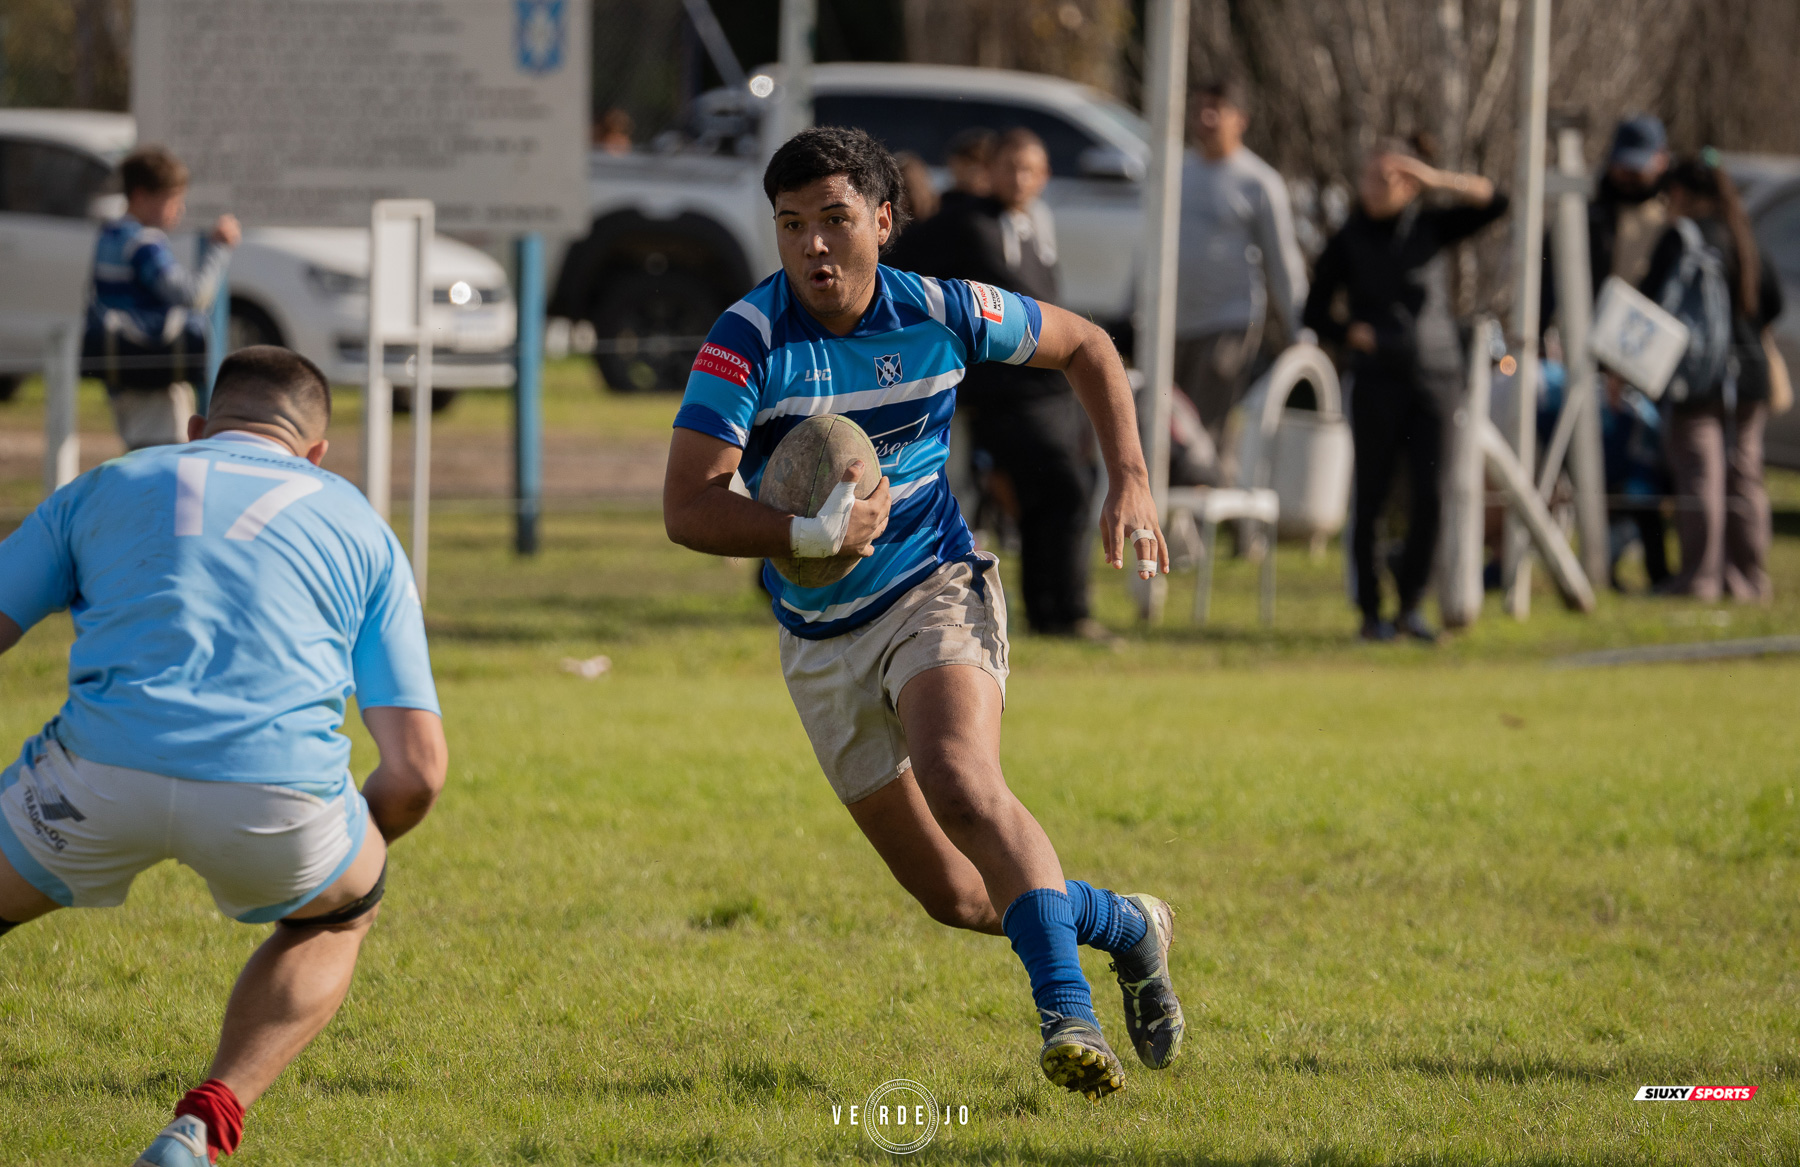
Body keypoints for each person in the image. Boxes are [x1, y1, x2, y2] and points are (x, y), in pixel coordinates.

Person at [663, 126, 1181, 1100]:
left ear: (884, 222)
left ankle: (1067, 1015)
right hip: (818, 636)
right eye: (790, 225)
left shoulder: (943, 308)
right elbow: (687, 508)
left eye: (835, 220)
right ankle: (1127, 926)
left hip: (935, 582)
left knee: (962, 779)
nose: (814, 245)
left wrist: (1132, 481)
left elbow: (1087, 346)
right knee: (956, 895)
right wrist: (809, 534)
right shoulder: (746, 340)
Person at [0, 347, 447, 1166]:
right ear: (315, 453)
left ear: (197, 430)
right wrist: (350, 850)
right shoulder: (359, 524)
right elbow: (417, 769)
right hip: (280, 802)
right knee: (343, 912)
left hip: (90, 779)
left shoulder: (110, 481)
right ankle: (202, 1126)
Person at [1303, 139, 1509, 642]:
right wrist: (1351, 331)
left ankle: (1412, 606)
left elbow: (1499, 202)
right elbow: (1313, 311)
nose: (1379, 188)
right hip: (1377, 381)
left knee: (1432, 495)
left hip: (1435, 377)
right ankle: (1371, 613)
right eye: (1372, 178)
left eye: (1393, 179)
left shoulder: (1430, 226)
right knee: (1370, 497)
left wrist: (1437, 178)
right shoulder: (1349, 238)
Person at [903, 128, 1103, 638]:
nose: (1018, 177)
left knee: (1056, 499)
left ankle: (1054, 611)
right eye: (1008, 166)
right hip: (1004, 396)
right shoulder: (965, 223)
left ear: (1044, 176)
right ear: (989, 170)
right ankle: (1065, 613)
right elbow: (899, 268)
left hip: (1049, 392)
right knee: (1064, 492)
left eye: (1028, 168)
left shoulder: (1031, 226)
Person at [1640, 153, 1783, 602]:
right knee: (1744, 477)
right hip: (1751, 373)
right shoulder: (1745, 235)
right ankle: (1749, 579)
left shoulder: (1683, 238)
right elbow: (1773, 303)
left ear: (1680, 193)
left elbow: (1649, 305)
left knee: (1700, 476)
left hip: (1698, 377)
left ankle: (1700, 579)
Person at [1545, 115, 1674, 588]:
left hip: (1651, 367)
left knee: (1647, 478)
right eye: (1623, 168)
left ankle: (1656, 569)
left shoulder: (1670, 220)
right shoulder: (1589, 215)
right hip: (1593, 369)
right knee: (1599, 473)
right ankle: (1600, 565)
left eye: (1639, 169)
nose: (1630, 178)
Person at [1173, 80, 1308, 454]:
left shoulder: (1258, 182)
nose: (1207, 117)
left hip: (1227, 325)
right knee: (1164, 427)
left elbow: (1283, 262)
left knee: (1203, 436)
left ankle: (1203, 509)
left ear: (1241, 120)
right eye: (1200, 108)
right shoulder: (1176, 172)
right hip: (1172, 322)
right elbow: (1151, 247)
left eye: (1218, 109)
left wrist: (1300, 332)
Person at [87, 145, 239, 451]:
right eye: (172, 200)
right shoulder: (143, 242)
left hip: (121, 368)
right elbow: (194, 295)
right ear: (141, 196)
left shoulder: (109, 235)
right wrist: (219, 250)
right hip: (153, 370)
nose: (179, 210)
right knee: (163, 458)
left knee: (138, 453)